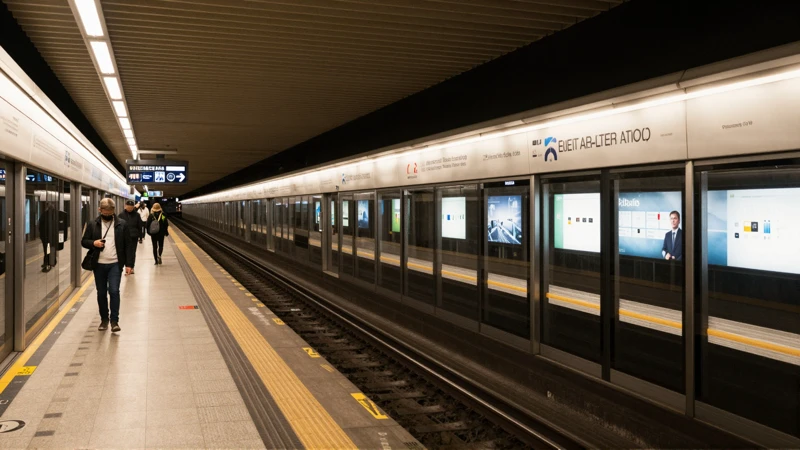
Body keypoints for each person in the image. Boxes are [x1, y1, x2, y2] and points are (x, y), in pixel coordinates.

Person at [81, 198, 134, 332]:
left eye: (110, 212)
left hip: (115, 263)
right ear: (100, 210)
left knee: (114, 291)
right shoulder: (92, 224)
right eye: (105, 212)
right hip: (99, 264)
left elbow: (129, 245)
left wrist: (129, 264)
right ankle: (104, 319)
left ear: (113, 211)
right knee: (101, 293)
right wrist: (94, 243)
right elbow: (84, 241)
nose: (108, 214)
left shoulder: (122, 224)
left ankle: (114, 321)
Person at [118, 200, 142, 274]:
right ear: (125, 206)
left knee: (132, 252)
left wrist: (140, 237)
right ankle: (126, 265)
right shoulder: (121, 215)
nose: (130, 209)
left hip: (133, 237)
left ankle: (131, 267)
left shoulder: (137, 215)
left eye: (131, 207)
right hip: (123, 236)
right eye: (128, 207)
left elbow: (139, 226)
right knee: (124, 252)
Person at [38, 202, 57, 272]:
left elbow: (40, 226)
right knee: (50, 250)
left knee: (47, 250)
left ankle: (48, 263)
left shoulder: (44, 215)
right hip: (50, 236)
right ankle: (51, 262)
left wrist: (41, 235)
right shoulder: (54, 215)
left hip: (46, 237)